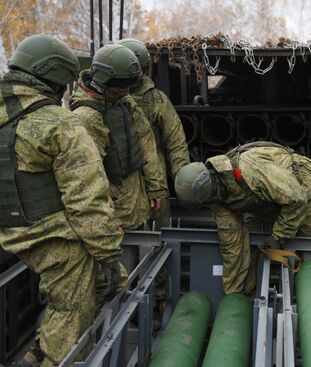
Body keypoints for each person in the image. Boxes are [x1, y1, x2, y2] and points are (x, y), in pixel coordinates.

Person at [0, 35, 124, 367]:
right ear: (54, 75)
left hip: (9, 234)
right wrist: (110, 256)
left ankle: (39, 349)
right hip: (53, 238)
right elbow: (88, 204)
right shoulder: (60, 123)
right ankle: (57, 355)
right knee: (73, 311)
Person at [174, 142, 311, 294]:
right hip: (268, 199)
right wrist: (232, 290)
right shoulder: (215, 198)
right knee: (250, 246)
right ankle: (246, 297)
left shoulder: (251, 170)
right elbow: (231, 244)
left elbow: (297, 199)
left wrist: (279, 235)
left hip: (306, 190)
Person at [69, 44, 167, 230]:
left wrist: (155, 186)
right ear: (108, 81)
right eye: (123, 85)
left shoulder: (120, 99)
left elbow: (144, 137)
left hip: (136, 202)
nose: (127, 90)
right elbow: (85, 178)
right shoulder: (86, 117)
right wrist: (107, 220)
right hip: (113, 213)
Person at [117, 38, 190, 228]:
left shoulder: (156, 100)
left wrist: (182, 183)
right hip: (120, 180)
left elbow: (176, 144)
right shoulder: (106, 100)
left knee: (160, 232)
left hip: (155, 181)